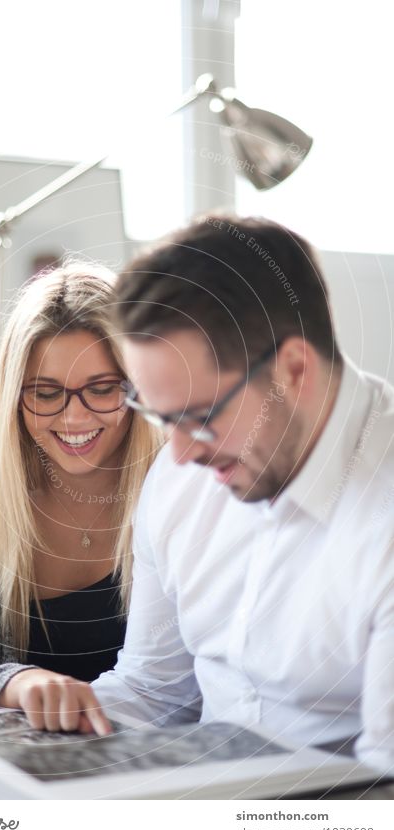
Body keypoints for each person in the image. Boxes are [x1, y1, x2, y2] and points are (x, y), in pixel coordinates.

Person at [87, 213, 394, 775]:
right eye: (159, 417)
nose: (180, 455)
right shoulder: (183, 477)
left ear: (294, 370)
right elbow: (156, 691)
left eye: (201, 417)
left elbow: (384, 790)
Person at [0, 262, 161, 735]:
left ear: (136, 386)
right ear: (13, 395)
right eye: (46, 394)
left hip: (150, 749)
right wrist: (18, 683)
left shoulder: (174, 482)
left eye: (102, 389)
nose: (73, 418)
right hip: (24, 763)